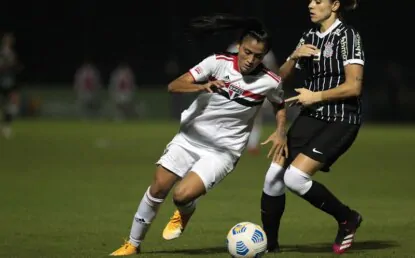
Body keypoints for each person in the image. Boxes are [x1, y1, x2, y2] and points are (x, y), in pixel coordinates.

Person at [110, 14, 287, 256]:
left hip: (223, 151)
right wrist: (201, 86)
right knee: (159, 188)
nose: (251, 60)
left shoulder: (269, 81)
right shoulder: (217, 62)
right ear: (239, 46)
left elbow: (279, 103)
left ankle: (185, 210)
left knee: (181, 195)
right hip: (190, 138)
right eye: (247, 52)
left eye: (258, 56)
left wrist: (280, 132)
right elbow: (174, 86)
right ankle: (133, 244)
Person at [260, 0, 365, 254]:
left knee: (295, 178)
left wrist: (315, 96)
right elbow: (281, 76)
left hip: (342, 119)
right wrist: (294, 56)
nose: (310, 4)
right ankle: (269, 246)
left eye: (318, 1)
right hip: (311, 116)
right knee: (272, 178)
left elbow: (354, 87)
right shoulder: (308, 36)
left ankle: (348, 218)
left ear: (335, 5)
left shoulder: (348, 36)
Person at [227, 41, 280, 155]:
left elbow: (273, 69)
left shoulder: (265, 52)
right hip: (237, 85)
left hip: (258, 87)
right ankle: (231, 142)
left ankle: (252, 145)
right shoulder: (234, 47)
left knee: (255, 117)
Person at [0, 32, 21, 138]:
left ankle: (6, 127)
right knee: (7, 105)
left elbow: (12, 67)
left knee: (11, 105)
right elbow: (4, 67)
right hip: (4, 82)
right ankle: (5, 127)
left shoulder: (10, 53)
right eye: (8, 39)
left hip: (9, 82)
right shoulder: (3, 53)